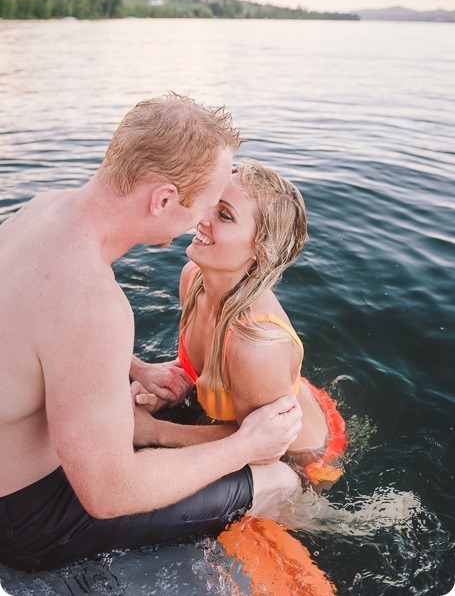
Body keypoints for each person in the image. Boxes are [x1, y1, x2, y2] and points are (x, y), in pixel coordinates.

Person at [0, 94, 303, 572]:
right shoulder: (93, 303)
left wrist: (137, 367)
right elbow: (107, 494)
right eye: (206, 203)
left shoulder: (44, 209)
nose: (200, 220)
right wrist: (244, 447)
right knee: (282, 480)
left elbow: (35, 323)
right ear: (163, 200)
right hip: (32, 517)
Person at [131, 159, 347, 492]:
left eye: (224, 214)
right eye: (210, 203)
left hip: (302, 458)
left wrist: (154, 432)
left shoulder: (256, 345)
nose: (201, 219)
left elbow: (260, 448)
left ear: (260, 250)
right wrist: (169, 380)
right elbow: (203, 368)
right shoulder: (193, 280)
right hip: (258, 397)